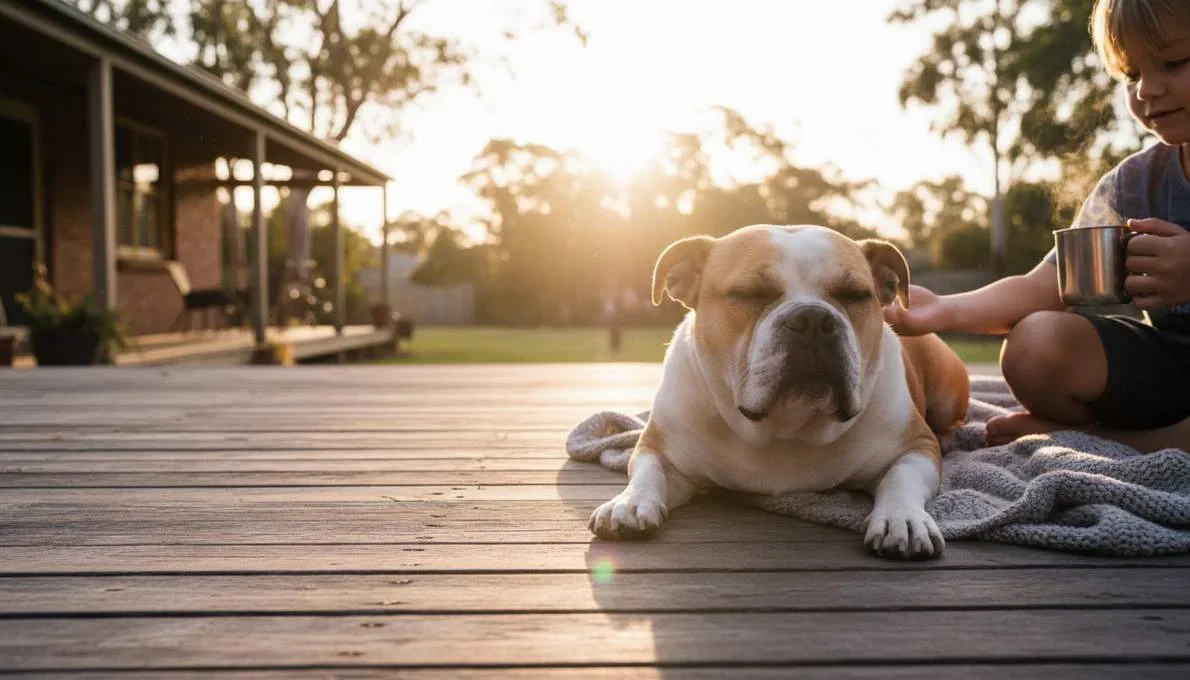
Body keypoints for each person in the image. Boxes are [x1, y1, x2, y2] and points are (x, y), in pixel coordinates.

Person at [884, 0, 1190, 453]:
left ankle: (1107, 442)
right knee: (1035, 342)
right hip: (1172, 367)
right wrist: (945, 309)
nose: (1146, 89)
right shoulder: (1133, 184)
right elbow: (1047, 286)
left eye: (1172, 62)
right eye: (1131, 74)